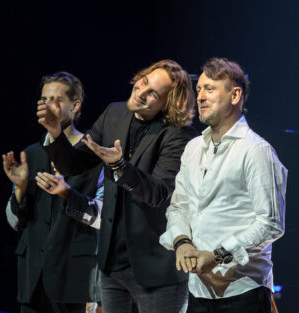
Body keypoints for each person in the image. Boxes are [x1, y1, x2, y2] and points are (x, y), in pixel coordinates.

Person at [36, 60, 198, 313]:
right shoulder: (114, 113)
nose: (141, 92)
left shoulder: (178, 134)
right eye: (143, 82)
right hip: (112, 265)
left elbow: (158, 193)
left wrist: (120, 166)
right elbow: (73, 164)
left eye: (153, 93)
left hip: (155, 270)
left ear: (169, 102)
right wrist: (56, 133)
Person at [159, 57, 288, 313]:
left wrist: (218, 255)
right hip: (198, 291)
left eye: (210, 89)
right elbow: (179, 206)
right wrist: (182, 242)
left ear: (235, 94)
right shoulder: (193, 148)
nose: (201, 96)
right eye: (199, 90)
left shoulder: (256, 150)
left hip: (243, 292)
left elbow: (270, 223)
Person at [2, 71, 103, 313]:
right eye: (45, 99)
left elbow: (102, 217)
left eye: (57, 100)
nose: (49, 105)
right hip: (33, 278)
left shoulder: (94, 154)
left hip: (74, 279)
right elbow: (14, 220)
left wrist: (68, 193)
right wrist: (21, 189)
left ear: (75, 105)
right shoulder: (32, 154)